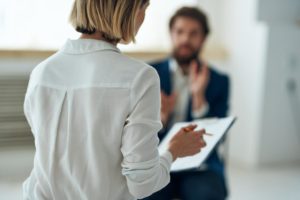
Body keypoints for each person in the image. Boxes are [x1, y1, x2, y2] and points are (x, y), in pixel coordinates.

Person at [22, 1, 208, 200]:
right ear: (128, 11)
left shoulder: (41, 73)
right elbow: (142, 183)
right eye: (143, 9)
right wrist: (173, 150)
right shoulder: (141, 77)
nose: (143, 19)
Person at [143, 7, 230, 200]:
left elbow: (218, 139)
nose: (185, 39)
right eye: (180, 32)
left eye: (193, 33)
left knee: (208, 195)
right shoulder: (147, 73)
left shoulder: (219, 80)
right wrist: (160, 120)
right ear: (171, 34)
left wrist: (199, 99)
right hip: (157, 161)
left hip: (200, 166)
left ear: (204, 38)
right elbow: (133, 134)